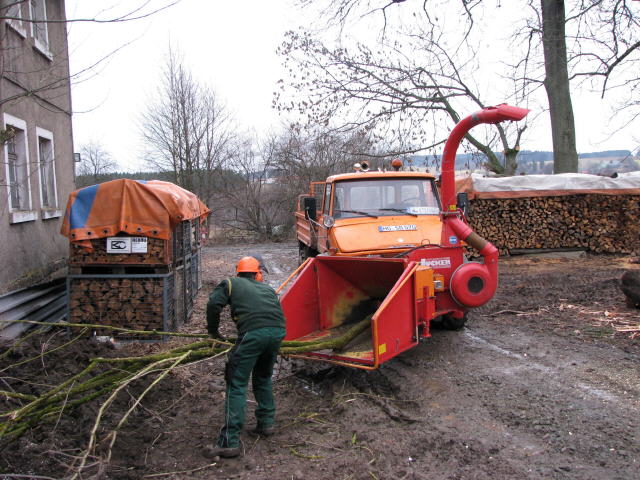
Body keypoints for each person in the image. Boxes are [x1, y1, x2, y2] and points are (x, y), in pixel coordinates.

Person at [204, 256, 286, 458]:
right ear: (258, 273)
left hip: (253, 335)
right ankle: (266, 424)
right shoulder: (268, 290)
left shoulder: (230, 283)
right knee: (263, 378)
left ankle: (229, 442)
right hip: (277, 333)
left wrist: (213, 332)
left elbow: (214, 304)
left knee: (236, 382)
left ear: (238, 271)